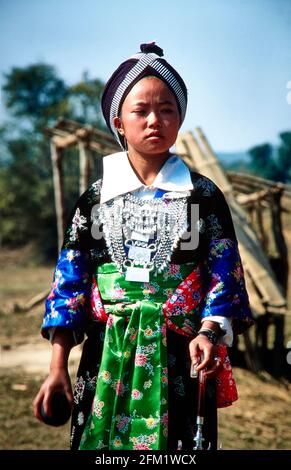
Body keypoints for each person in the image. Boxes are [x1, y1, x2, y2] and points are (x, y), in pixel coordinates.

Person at [33, 42, 254, 451]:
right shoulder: (95, 199)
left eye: (168, 109)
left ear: (180, 118)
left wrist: (207, 331)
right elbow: (69, 286)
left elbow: (226, 278)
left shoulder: (203, 197)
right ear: (119, 122)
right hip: (103, 358)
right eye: (141, 110)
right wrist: (57, 366)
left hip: (180, 359)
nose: (156, 120)